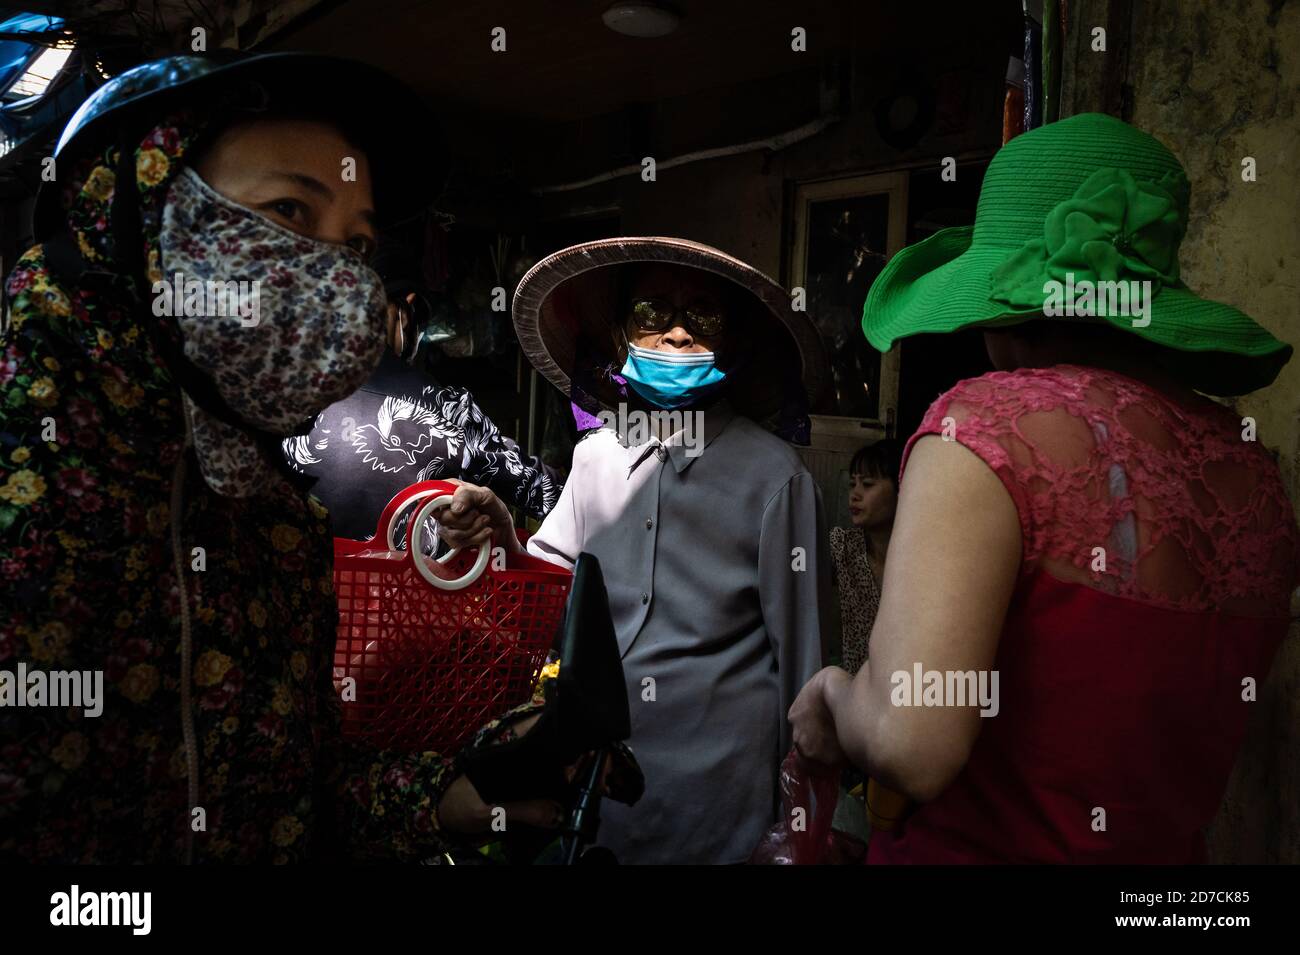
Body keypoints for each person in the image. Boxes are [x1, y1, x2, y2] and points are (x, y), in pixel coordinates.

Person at [0, 53, 575, 863]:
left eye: (358, 243)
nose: (336, 279)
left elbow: (293, 787)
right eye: (291, 211)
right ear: (128, 217)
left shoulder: (278, 527)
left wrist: (446, 799)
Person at [789, 112, 1299, 863]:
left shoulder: (987, 427)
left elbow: (912, 739)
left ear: (1005, 305)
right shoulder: (1254, 474)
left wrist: (834, 692)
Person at [436, 237, 832, 863]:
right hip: (601, 784)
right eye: (652, 312)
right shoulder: (595, 456)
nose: (675, 334)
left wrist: (798, 818)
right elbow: (552, 590)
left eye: (701, 315)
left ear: (732, 340)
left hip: (719, 793)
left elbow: (803, 662)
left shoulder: (774, 477)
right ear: (621, 334)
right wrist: (504, 539)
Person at [283, 240, 562, 542]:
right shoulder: (448, 409)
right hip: (406, 588)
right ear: (404, 311)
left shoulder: (283, 400)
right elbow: (548, 495)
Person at [831, 439, 901, 676]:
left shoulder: (921, 557)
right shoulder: (842, 546)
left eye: (868, 484)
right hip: (856, 691)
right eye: (852, 484)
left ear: (903, 489)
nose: (855, 495)